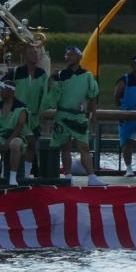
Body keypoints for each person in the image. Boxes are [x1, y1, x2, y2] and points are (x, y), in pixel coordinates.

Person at [47, 46, 105, 186]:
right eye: (67, 55)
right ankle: (67, 176)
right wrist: (51, 80)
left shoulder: (87, 75)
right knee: (65, 147)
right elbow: (52, 98)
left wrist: (93, 115)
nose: (69, 57)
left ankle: (91, 176)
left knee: (84, 147)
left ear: (79, 57)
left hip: (79, 116)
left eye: (72, 55)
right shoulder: (60, 75)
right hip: (62, 115)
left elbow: (93, 96)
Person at [0, 47, 47, 179]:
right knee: (14, 144)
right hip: (17, 115)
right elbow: (1, 87)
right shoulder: (16, 73)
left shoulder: (41, 74)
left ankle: (26, 172)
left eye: (36, 53)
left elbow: (46, 94)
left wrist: (42, 109)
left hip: (33, 116)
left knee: (32, 145)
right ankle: (7, 172)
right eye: (31, 53)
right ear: (25, 57)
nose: (35, 55)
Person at [114, 55, 136, 176]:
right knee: (126, 141)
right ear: (132, 65)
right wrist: (123, 106)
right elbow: (117, 96)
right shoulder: (125, 79)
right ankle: (128, 169)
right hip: (127, 114)